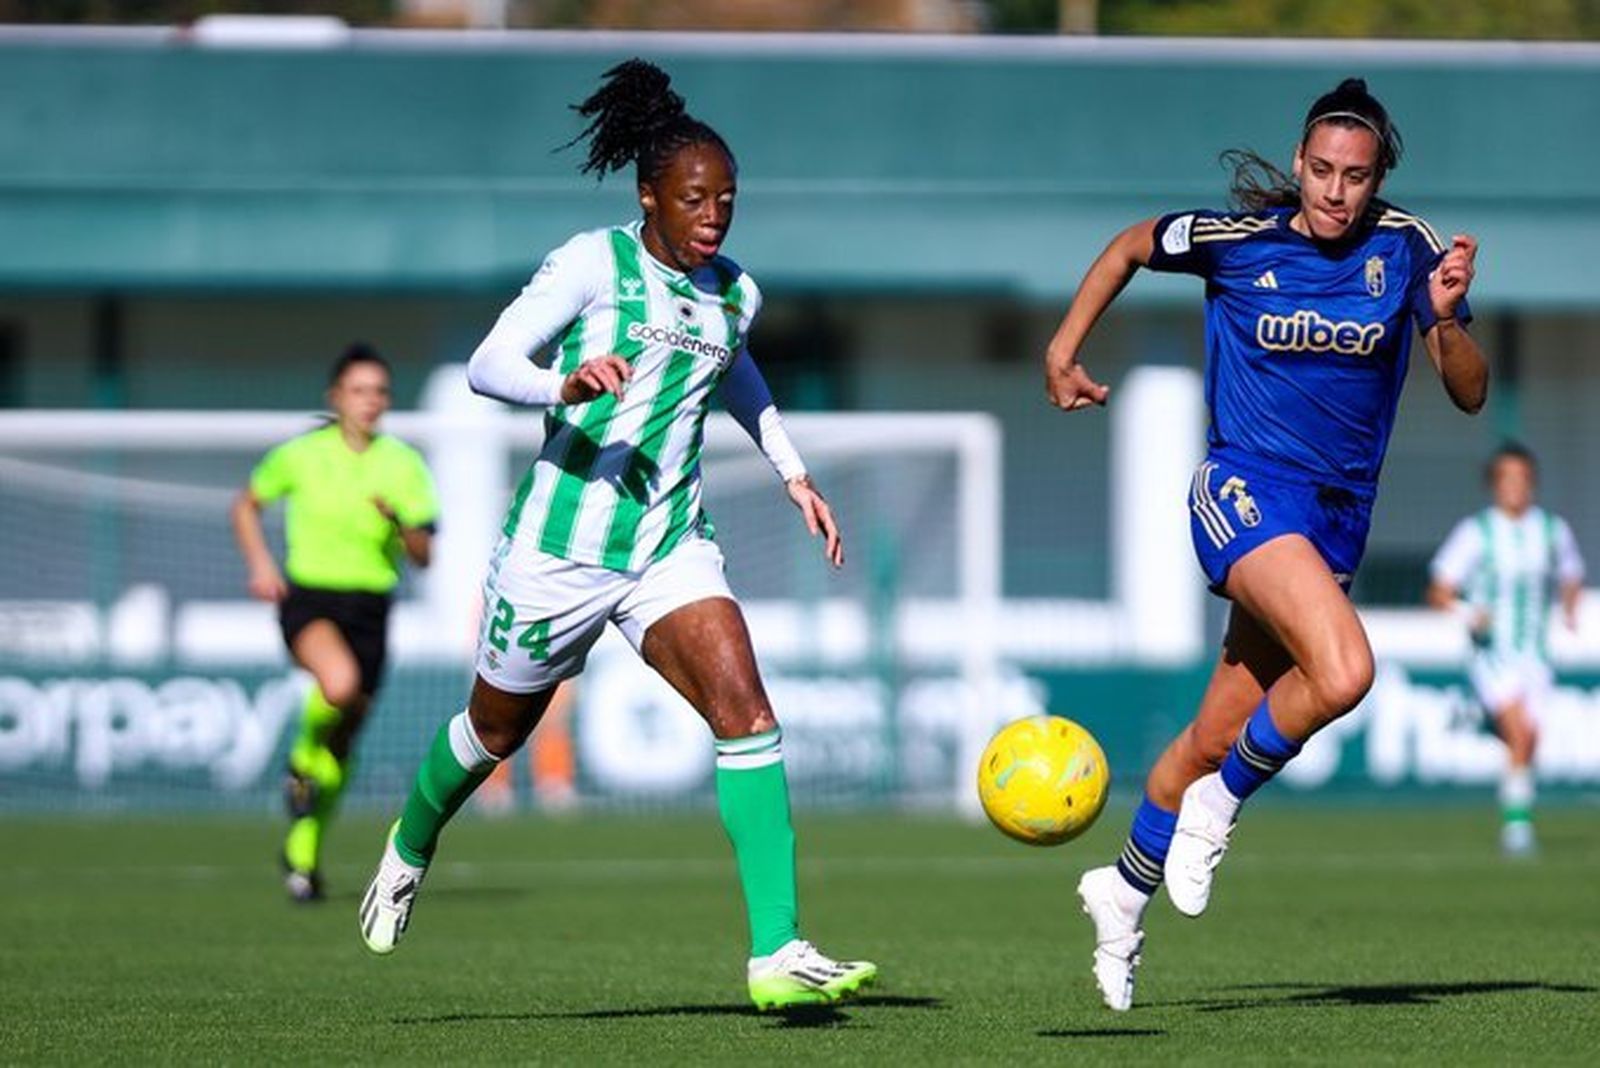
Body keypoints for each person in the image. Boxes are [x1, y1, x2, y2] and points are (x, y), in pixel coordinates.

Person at [356, 59, 876, 1012]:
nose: (713, 213)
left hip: (668, 543)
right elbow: (486, 364)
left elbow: (738, 376)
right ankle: (411, 843)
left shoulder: (736, 294)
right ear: (650, 196)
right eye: (694, 197)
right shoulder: (594, 263)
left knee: (748, 714)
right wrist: (564, 383)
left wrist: (793, 472)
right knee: (492, 733)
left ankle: (777, 949)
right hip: (557, 551)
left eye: (726, 198)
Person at [1043, 78, 1487, 1011]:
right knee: (1347, 669)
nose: (1335, 191)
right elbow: (1130, 244)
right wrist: (1064, 348)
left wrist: (1444, 317)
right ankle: (1221, 806)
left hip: (1336, 519)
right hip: (1243, 491)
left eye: (1354, 177)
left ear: (1377, 181)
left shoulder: (1406, 251)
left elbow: (1471, 392)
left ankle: (1120, 890)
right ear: (1297, 165)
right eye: (1321, 170)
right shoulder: (1240, 244)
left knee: (1208, 737)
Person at [231, 344, 438, 902]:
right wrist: (261, 566)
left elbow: (424, 555)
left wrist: (399, 521)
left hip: (372, 609)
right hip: (311, 599)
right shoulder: (301, 454)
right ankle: (300, 756)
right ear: (336, 397)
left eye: (379, 391)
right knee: (338, 685)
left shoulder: (403, 464)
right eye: (358, 390)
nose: (370, 401)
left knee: (344, 744)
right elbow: (246, 504)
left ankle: (302, 854)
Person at [1427, 443, 1584, 856]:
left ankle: (1482, 721)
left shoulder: (1552, 530)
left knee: (1529, 738)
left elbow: (1570, 572)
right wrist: (1467, 613)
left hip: (1536, 654)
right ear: (1494, 485)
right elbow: (1439, 590)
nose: (1515, 487)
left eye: (1522, 478)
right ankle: (1517, 830)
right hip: (1492, 653)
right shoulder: (1475, 532)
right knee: (1518, 731)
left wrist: (1570, 612)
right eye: (1506, 478)